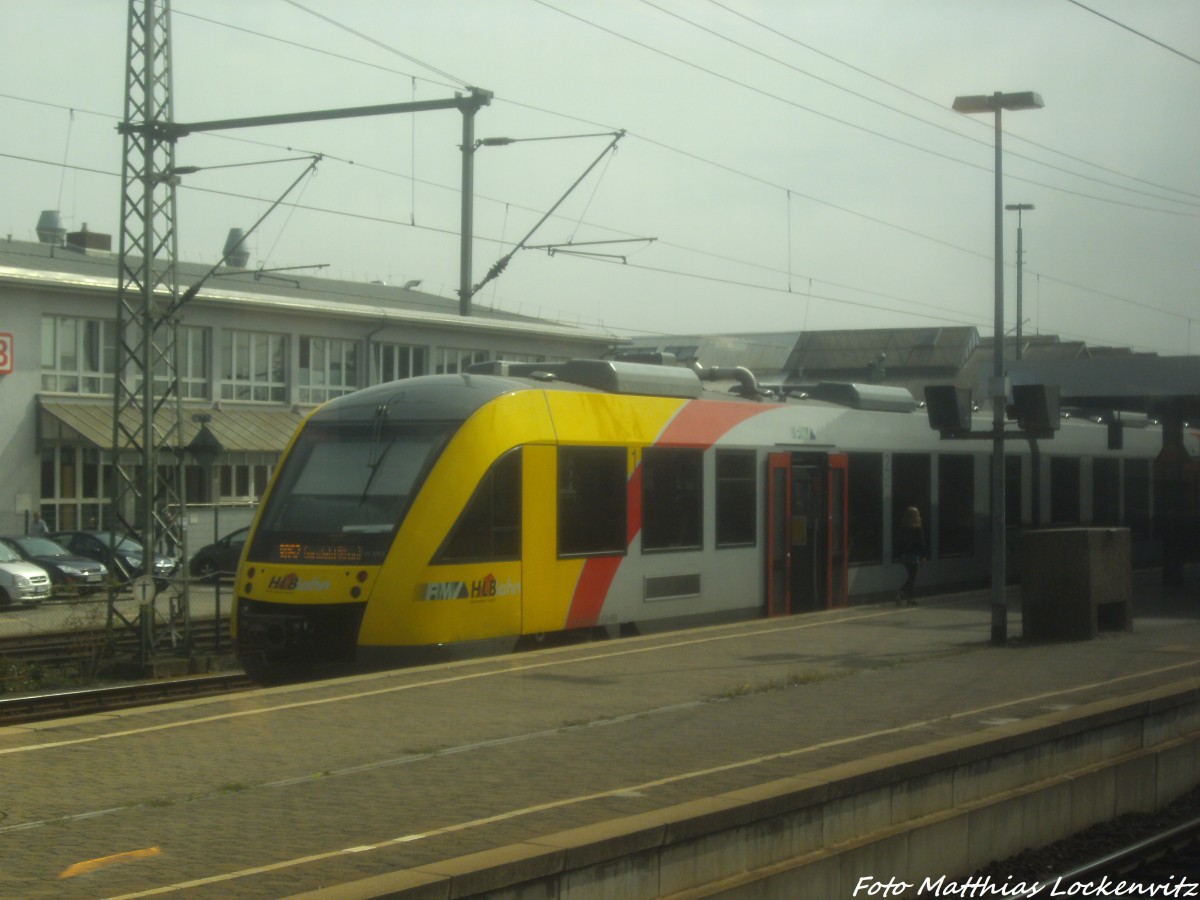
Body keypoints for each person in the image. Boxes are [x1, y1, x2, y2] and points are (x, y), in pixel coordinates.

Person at [894, 506, 926, 606]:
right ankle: (903, 593)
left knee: (910, 576)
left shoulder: (902, 527)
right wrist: (923, 556)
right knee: (912, 577)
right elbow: (921, 543)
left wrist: (898, 555)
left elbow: (898, 542)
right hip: (913, 555)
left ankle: (909, 597)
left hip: (904, 555)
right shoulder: (917, 527)